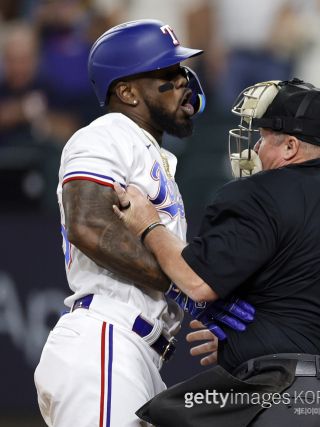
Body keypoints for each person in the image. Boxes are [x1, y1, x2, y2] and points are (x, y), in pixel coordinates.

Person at [112, 78, 320, 426]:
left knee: (158, 415)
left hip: (284, 401)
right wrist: (251, 338)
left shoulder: (257, 193)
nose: (256, 148)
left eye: (264, 137)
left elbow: (196, 282)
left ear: (290, 147)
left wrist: (149, 225)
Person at [34, 20, 253, 427]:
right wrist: (187, 288)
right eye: (167, 75)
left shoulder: (147, 150)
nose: (184, 82)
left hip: (134, 353)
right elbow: (88, 225)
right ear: (127, 92)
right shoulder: (106, 133)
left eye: (182, 71)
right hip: (106, 339)